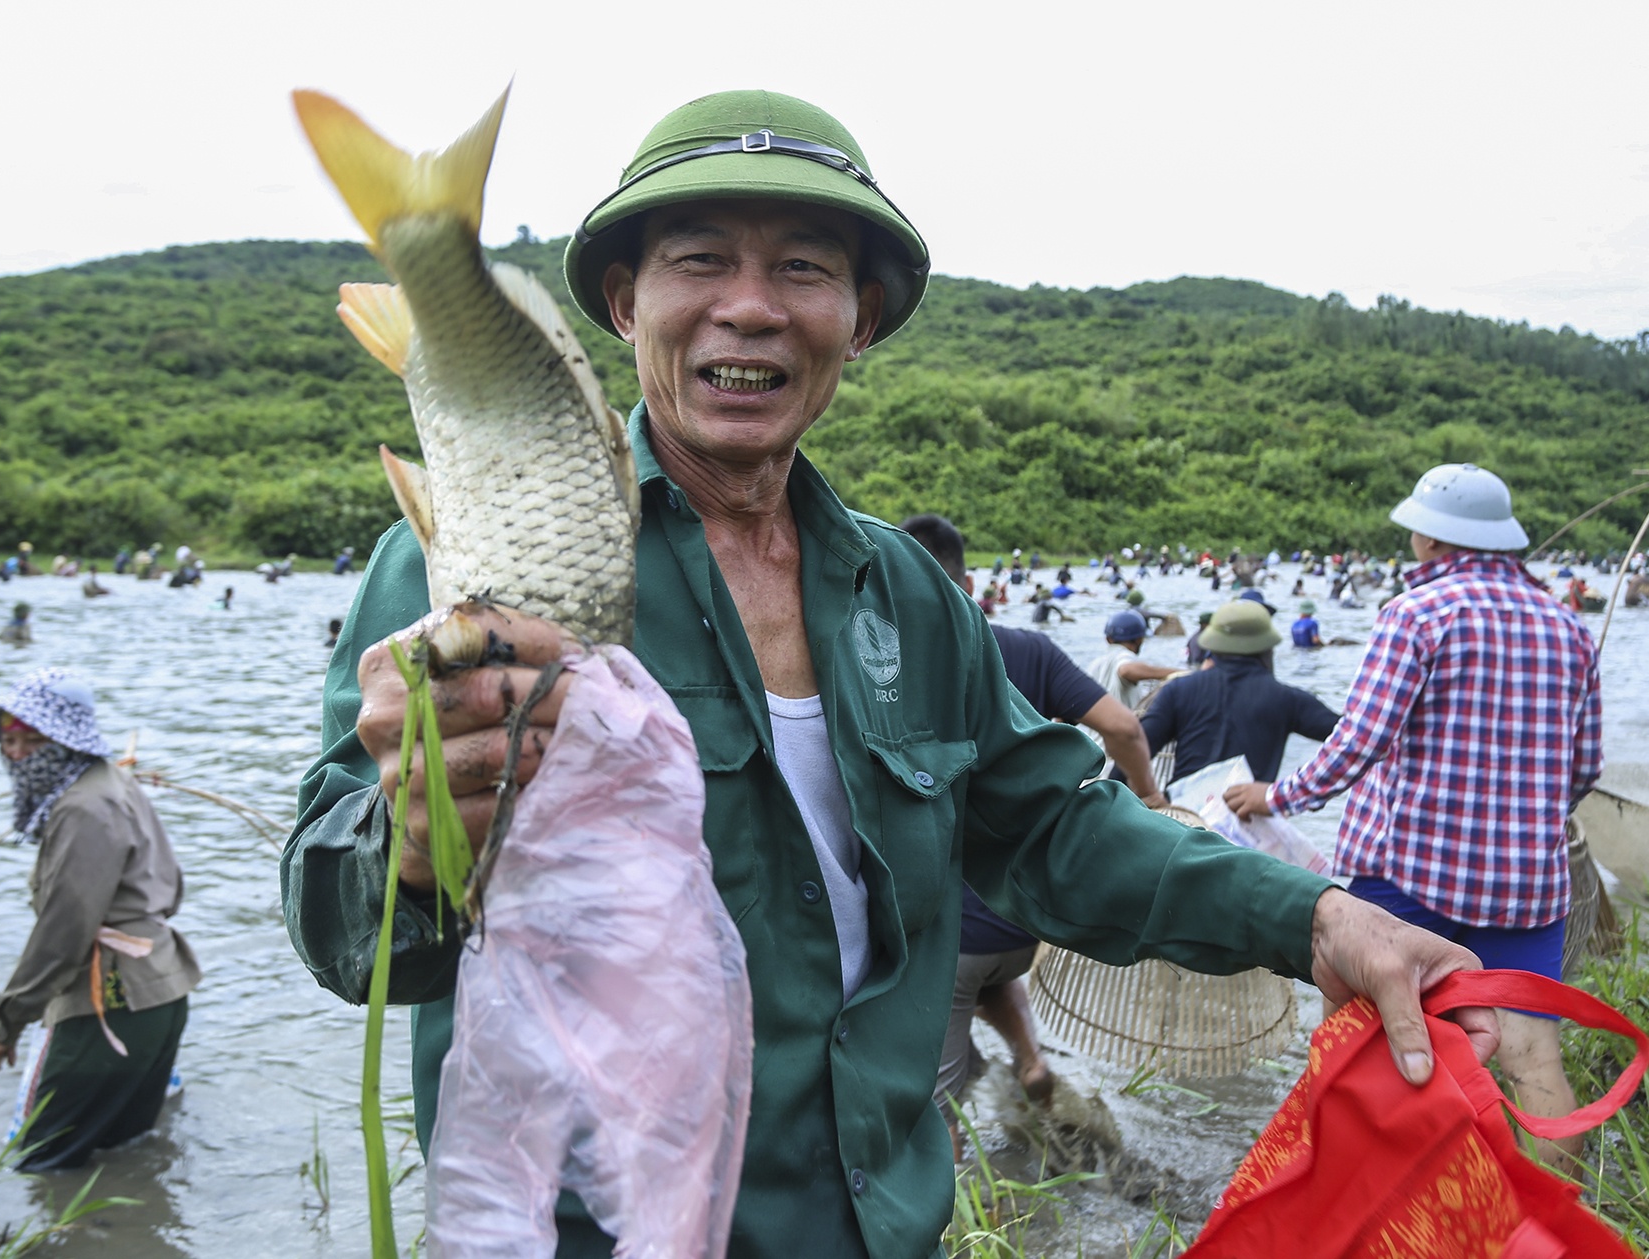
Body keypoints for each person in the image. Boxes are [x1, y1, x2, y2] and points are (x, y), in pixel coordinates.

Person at [281, 91, 1492, 1258]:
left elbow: (1057, 829)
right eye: (699, 259)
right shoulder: (474, 563)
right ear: (622, 298)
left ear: (859, 320)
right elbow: (339, 935)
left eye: (804, 268)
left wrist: (1317, 914)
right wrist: (418, 832)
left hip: (881, 1220)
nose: (749, 308)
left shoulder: (911, 599)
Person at [1225, 462, 1600, 1173]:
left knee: (1360, 1048)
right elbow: (1583, 769)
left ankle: (1360, 1200)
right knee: (1534, 1063)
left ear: (1430, 540)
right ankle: (1549, 1228)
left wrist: (1275, 797)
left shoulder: (1416, 613)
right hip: (1527, 892)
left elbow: (1357, 744)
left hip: (1406, 882)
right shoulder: (1567, 625)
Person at [900, 514, 1168, 1152]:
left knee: (932, 1112)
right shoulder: (1028, 649)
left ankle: (965, 1222)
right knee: (990, 970)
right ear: (970, 583)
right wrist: (1149, 796)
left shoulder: (879, 668)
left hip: (945, 939)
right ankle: (1030, 1059)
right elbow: (1125, 731)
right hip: (1029, 925)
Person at [0, 669, 199, 1171]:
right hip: (159, 992)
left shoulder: (82, 808)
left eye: (34, 739)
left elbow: (62, 935)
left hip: (110, 1005)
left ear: (68, 741)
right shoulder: (110, 781)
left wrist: (6, 1023)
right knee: (124, 1155)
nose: (17, 754)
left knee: (42, 1161)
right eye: (10, 740)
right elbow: (172, 887)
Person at [1140, 601, 1339, 785]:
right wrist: (1295, 789)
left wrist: (1148, 794)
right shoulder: (1287, 699)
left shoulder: (1177, 691)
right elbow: (1355, 740)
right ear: (1268, 647)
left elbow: (1134, 748)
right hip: (1248, 813)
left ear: (1212, 645)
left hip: (1181, 817)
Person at [1086, 609, 1180, 711]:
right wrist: (1182, 673)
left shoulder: (1094, 664)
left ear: (1108, 639)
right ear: (1140, 640)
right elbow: (1126, 670)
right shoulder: (1125, 656)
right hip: (1120, 725)